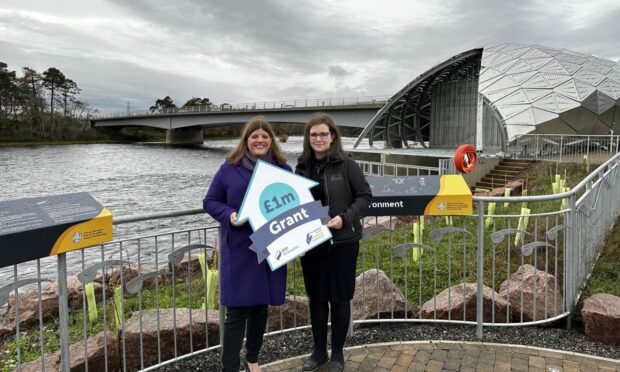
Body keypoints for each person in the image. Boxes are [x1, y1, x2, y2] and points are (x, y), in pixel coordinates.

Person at [203, 116, 290, 372]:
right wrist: (229, 215)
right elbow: (210, 201)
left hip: (269, 247)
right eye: (255, 136)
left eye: (265, 136)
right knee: (237, 314)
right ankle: (229, 367)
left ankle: (252, 360)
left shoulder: (283, 170)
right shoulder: (229, 168)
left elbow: (294, 205)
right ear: (246, 140)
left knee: (261, 309)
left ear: (271, 140)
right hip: (240, 249)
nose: (260, 140)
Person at [295, 112, 372, 372]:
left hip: (343, 242)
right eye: (313, 134)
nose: (318, 138)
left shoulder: (347, 164)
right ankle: (319, 351)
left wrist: (344, 218)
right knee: (316, 298)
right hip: (312, 244)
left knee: (339, 298)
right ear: (308, 138)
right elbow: (293, 207)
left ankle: (337, 352)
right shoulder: (302, 167)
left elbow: (364, 196)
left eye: (323, 134)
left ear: (333, 137)